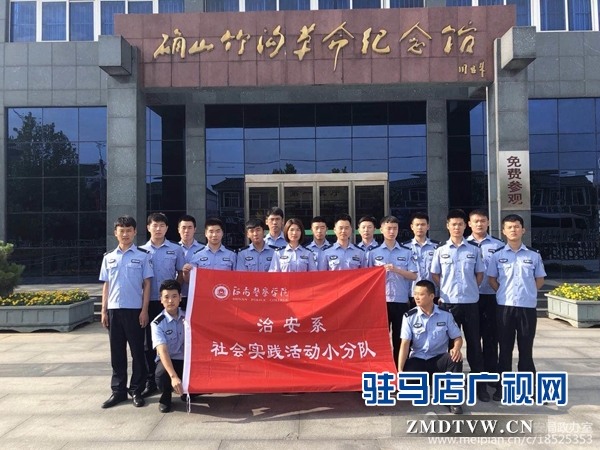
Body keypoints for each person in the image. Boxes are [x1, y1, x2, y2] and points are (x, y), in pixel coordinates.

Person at [430, 209, 489, 402]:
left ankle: (479, 386)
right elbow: (435, 274)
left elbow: (479, 274)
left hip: (471, 303)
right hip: (449, 305)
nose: (457, 227)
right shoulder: (440, 250)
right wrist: (446, 289)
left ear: (465, 226)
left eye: (460, 224)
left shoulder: (474, 249)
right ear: (447, 226)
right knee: (448, 346)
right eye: (453, 224)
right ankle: (448, 385)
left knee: (474, 344)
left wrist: (471, 288)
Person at [487, 214, 546, 402]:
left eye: (517, 226)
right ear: (503, 231)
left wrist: (528, 293)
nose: (513, 230)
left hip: (527, 308)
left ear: (523, 230)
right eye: (509, 227)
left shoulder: (533, 255)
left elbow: (539, 280)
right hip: (505, 308)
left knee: (526, 349)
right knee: (505, 349)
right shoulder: (497, 255)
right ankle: (502, 388)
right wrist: (503, 293)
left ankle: (528, 388)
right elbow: (492, 280)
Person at [99, 215, 153, 409]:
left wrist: (144, 310)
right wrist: (104, 311)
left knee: (138, 352)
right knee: (117, 353)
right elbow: (106, 285)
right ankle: (118, 391)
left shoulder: (143, 256)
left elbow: (147, 284)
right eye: (121, 231)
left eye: (129, 230)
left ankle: (136, 389)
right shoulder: (108, 257)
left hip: (135, 310)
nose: (125, 234)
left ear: (135, 232)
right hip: (114, 310)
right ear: (115, 233)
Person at [399, 280, 464, 414]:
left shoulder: (445, 314)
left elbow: (457, 337)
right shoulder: (409, 317)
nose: (416, 297)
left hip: (438, 359)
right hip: (418, 359)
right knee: (410, 389)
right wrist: (400, 370)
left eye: (421, 294)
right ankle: (433, 385)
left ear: (431, 296)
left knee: (455, 358)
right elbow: (405, 344)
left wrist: (456, 348)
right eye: (415, 294)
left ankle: (452, 399)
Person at [139, 213, 185, 398]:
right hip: (149, 302)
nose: (158, 229)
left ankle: (174, 375)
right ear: (148, 227)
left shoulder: (176, 249)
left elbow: (181, 273)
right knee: (148, 344)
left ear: (167, 228)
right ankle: (151, 381)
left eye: (161, 226)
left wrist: (174, 294)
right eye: (154, 225)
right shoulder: (141, 251)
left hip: (170, 303)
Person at [366, 215, 417, 366]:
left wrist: (396, 270)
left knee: (400, 338)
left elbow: (413, 275)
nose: (392, 231)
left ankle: (399, 370)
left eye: (395, 228)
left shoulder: (406, 252)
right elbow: (366, 277)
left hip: (400, 300)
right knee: (379, 338)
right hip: (380, 301)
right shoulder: (372, 252)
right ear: (381, 230)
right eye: (388, 228)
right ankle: (380, 369)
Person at [467, 208, 505, 400]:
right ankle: (477, 378)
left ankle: (492, 374)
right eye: (476, 221)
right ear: (469, 224)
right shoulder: (463, 244)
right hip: (469, 299)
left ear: (488, 222)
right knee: (473, 340)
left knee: (491, 339)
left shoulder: (498, 245)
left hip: (491, 297)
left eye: (483, 220)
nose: (479, 224)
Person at [151, 279, 185, 413]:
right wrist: (173, 377)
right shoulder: (157, 323)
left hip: (186, 361)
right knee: (161, 375)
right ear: (161, 299)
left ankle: (188, 392)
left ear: (180, 298)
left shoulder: (189, 316)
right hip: (169, 360)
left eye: (174, 296)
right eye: (166, 297)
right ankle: (165, 398)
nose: (170, 301)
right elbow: (163, 352)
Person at [404, 212, 439, 309]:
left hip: (433, 293)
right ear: (412, 227)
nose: (420, 227)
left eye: (423, 224)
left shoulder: (437, 247)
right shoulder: (404, 248)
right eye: (417, 225)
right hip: (412, 294)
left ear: (428, 226)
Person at [178, 214, 205, 309]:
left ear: (195, 229)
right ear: (178, 229)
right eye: (183, 227)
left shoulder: (204, 249)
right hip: (178, 296)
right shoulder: (173, 249)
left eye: (190, 227)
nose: (186, 231)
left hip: (199, 295)